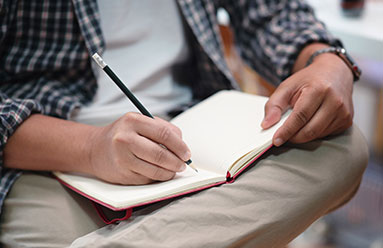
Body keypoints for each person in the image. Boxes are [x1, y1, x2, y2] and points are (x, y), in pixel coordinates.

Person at [0, 0, 368, 247]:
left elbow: (269, 11)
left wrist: (324, 60)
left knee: (341, 147)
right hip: (47, 157)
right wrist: (89, 149)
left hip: (196, 124)